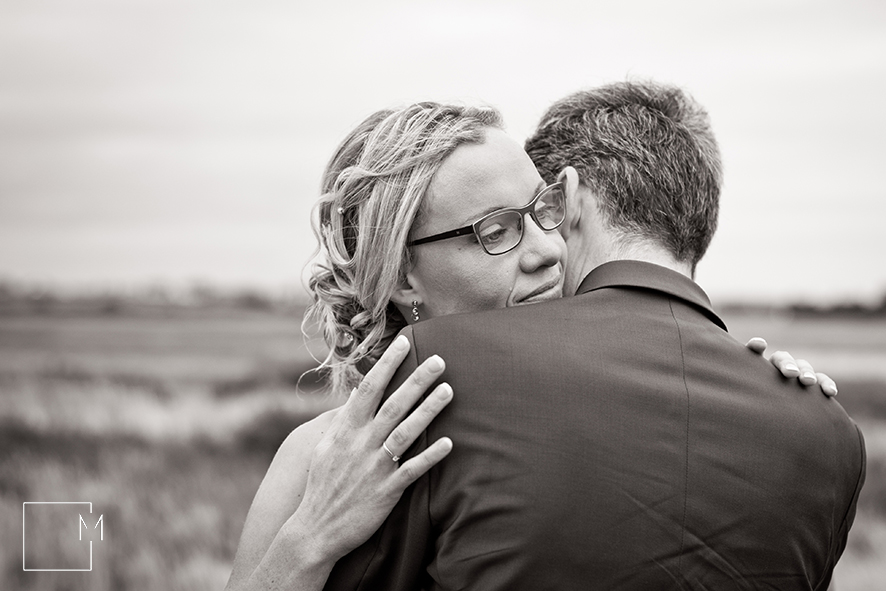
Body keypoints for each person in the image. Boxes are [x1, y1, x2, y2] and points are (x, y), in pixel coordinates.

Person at [225, 101, 837, 591]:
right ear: (403, 273)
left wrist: (768, 393)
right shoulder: (319, 456)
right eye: (497, 232)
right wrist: (309, 538)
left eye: (543, 212)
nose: (547, 249)